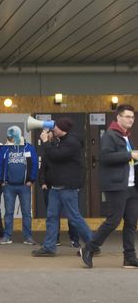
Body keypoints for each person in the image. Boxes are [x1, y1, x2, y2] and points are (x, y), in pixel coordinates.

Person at [81, 105, 138, 268]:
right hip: (116, 186)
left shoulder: (126, 137)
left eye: (132, 117)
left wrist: (134, 157)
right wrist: (130, 154)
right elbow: (105, 157)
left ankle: (129, 257)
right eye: (127, 116)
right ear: (118, 118)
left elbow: (128, 160)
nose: (131, 120)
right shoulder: (110, 135)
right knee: (113, 221)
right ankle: (89, 248)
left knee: (131, 222)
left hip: (131, 186)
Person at [32, 117, 92, 257]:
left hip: (68, 186)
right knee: (52, 216)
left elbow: (56, 156)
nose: (53, 128)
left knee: (74, 217)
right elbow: (53, 157)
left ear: (62, 129)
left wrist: (46, 142)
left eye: (55, 127)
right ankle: (49, 247)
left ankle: (93, 244)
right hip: (57, 186)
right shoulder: (62, 141)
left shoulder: (72, 142)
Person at [0, 125, 38, 245]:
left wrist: (31, 180)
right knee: (8, 212)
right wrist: (1, 180)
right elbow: (0, 164)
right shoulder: (5, 149)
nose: (9, 139)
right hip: (8, 186)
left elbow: (34, 164)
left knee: (26, 213)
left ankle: (28, 237)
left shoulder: (29, 148)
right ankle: (7, 236)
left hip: (24, 186)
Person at [38, 144, 80, 248]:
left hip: (68, 188)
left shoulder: (69, 154)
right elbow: (42, 169)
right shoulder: (47, 153)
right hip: (50, 188)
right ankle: (54, 239)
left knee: (72, 215)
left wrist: (77, 184)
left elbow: (76, 169)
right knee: (52, 215)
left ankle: (75, 240)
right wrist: (43, 183)